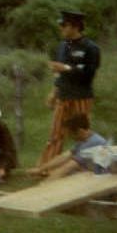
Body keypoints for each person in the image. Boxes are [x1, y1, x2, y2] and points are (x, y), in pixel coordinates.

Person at [40, 9, 100, 166]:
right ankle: (46, 168)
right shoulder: (62, 46)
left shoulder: (90, 48)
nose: (61, 28)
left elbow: (89, 75)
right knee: (55, 134)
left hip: (81, 97)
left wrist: (66, 68)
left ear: (75, 26)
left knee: (82, 133)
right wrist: (54, 92)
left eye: (64, 25)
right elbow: (59, 74)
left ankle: (84, 164)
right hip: (63, 96)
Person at [26, 113, 108, 181]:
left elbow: (68, 167)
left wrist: (43, 187)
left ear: (80, 131)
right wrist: (40, 169)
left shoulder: (95, 143)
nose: (69, 136)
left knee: (61, 175)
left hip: (98, 179)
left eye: (70, 134)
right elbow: (64, 156)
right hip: (87, 175)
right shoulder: (84, 139)